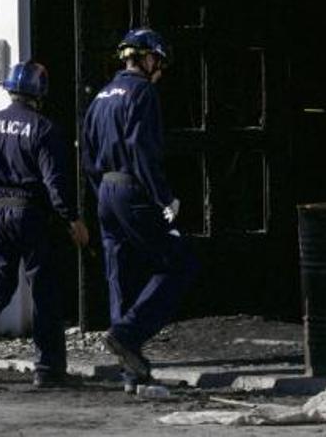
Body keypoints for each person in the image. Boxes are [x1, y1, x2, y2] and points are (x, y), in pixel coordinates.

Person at [0, 61, 90, 389]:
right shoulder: (44, 128)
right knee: (44, 291)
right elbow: (55, 181)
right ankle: (49, 369)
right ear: (40, 93)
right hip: (30, 215)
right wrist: (71, 218)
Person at [82, 28, 197, 390]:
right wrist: (165, 197)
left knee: (120, 274)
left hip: (106, 192)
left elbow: (86, 155)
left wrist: (101, 194)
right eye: (157, 62)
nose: (158, 70)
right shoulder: (142, 92)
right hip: (132, 188)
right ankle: (128, 334)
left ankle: (131, 371)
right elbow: (142, 148)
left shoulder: (100, 96)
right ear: (147, 58)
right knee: (178, 263)